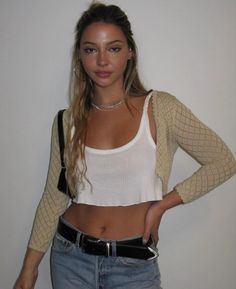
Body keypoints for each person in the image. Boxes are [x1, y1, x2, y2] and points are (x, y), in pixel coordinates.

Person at [13, 2, 236, 289]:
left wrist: (163, 205)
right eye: (91, 49)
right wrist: (29, 268)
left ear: (130, 52)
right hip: (70, 257)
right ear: (79, 56)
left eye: (114, 48)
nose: (102, 60)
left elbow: (224, 162)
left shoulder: (160, 109)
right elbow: (54, 197)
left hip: (133, 266)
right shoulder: (67, 122)